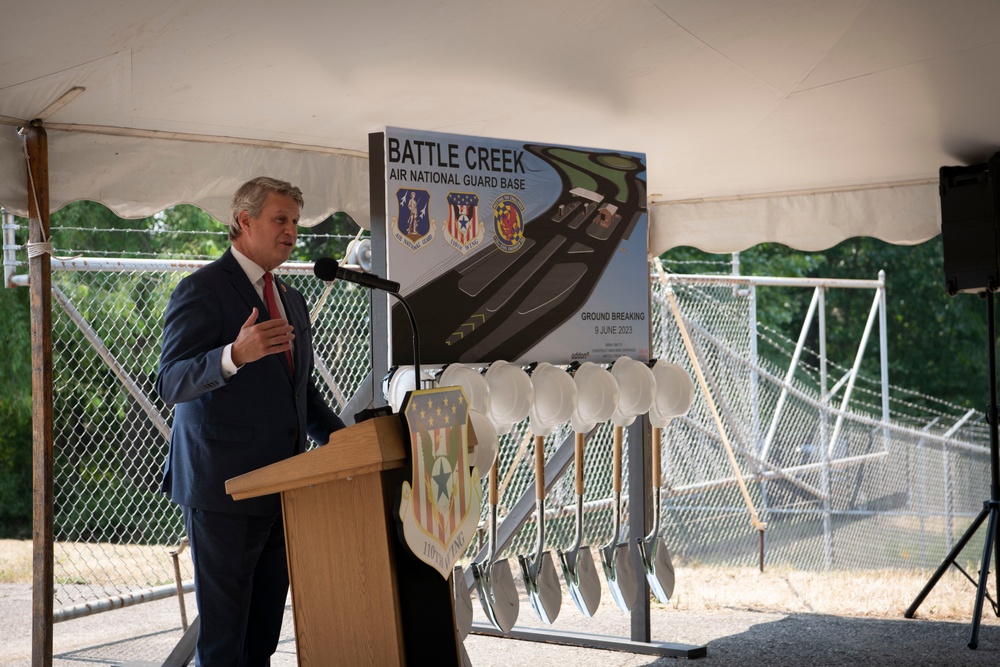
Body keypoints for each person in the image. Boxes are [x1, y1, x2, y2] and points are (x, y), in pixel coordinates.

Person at [156, 176, 346, 666]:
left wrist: (348, 443)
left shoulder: (290, 298)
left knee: (262, 636)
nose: (291, 232)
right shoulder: (202, 290)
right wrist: (232, 355)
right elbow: (172, 382)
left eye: (295, 223)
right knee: (223, 644)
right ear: (244, 221)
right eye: (280, 220)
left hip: (282, 486)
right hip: (223, 489)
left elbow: (298, 392)